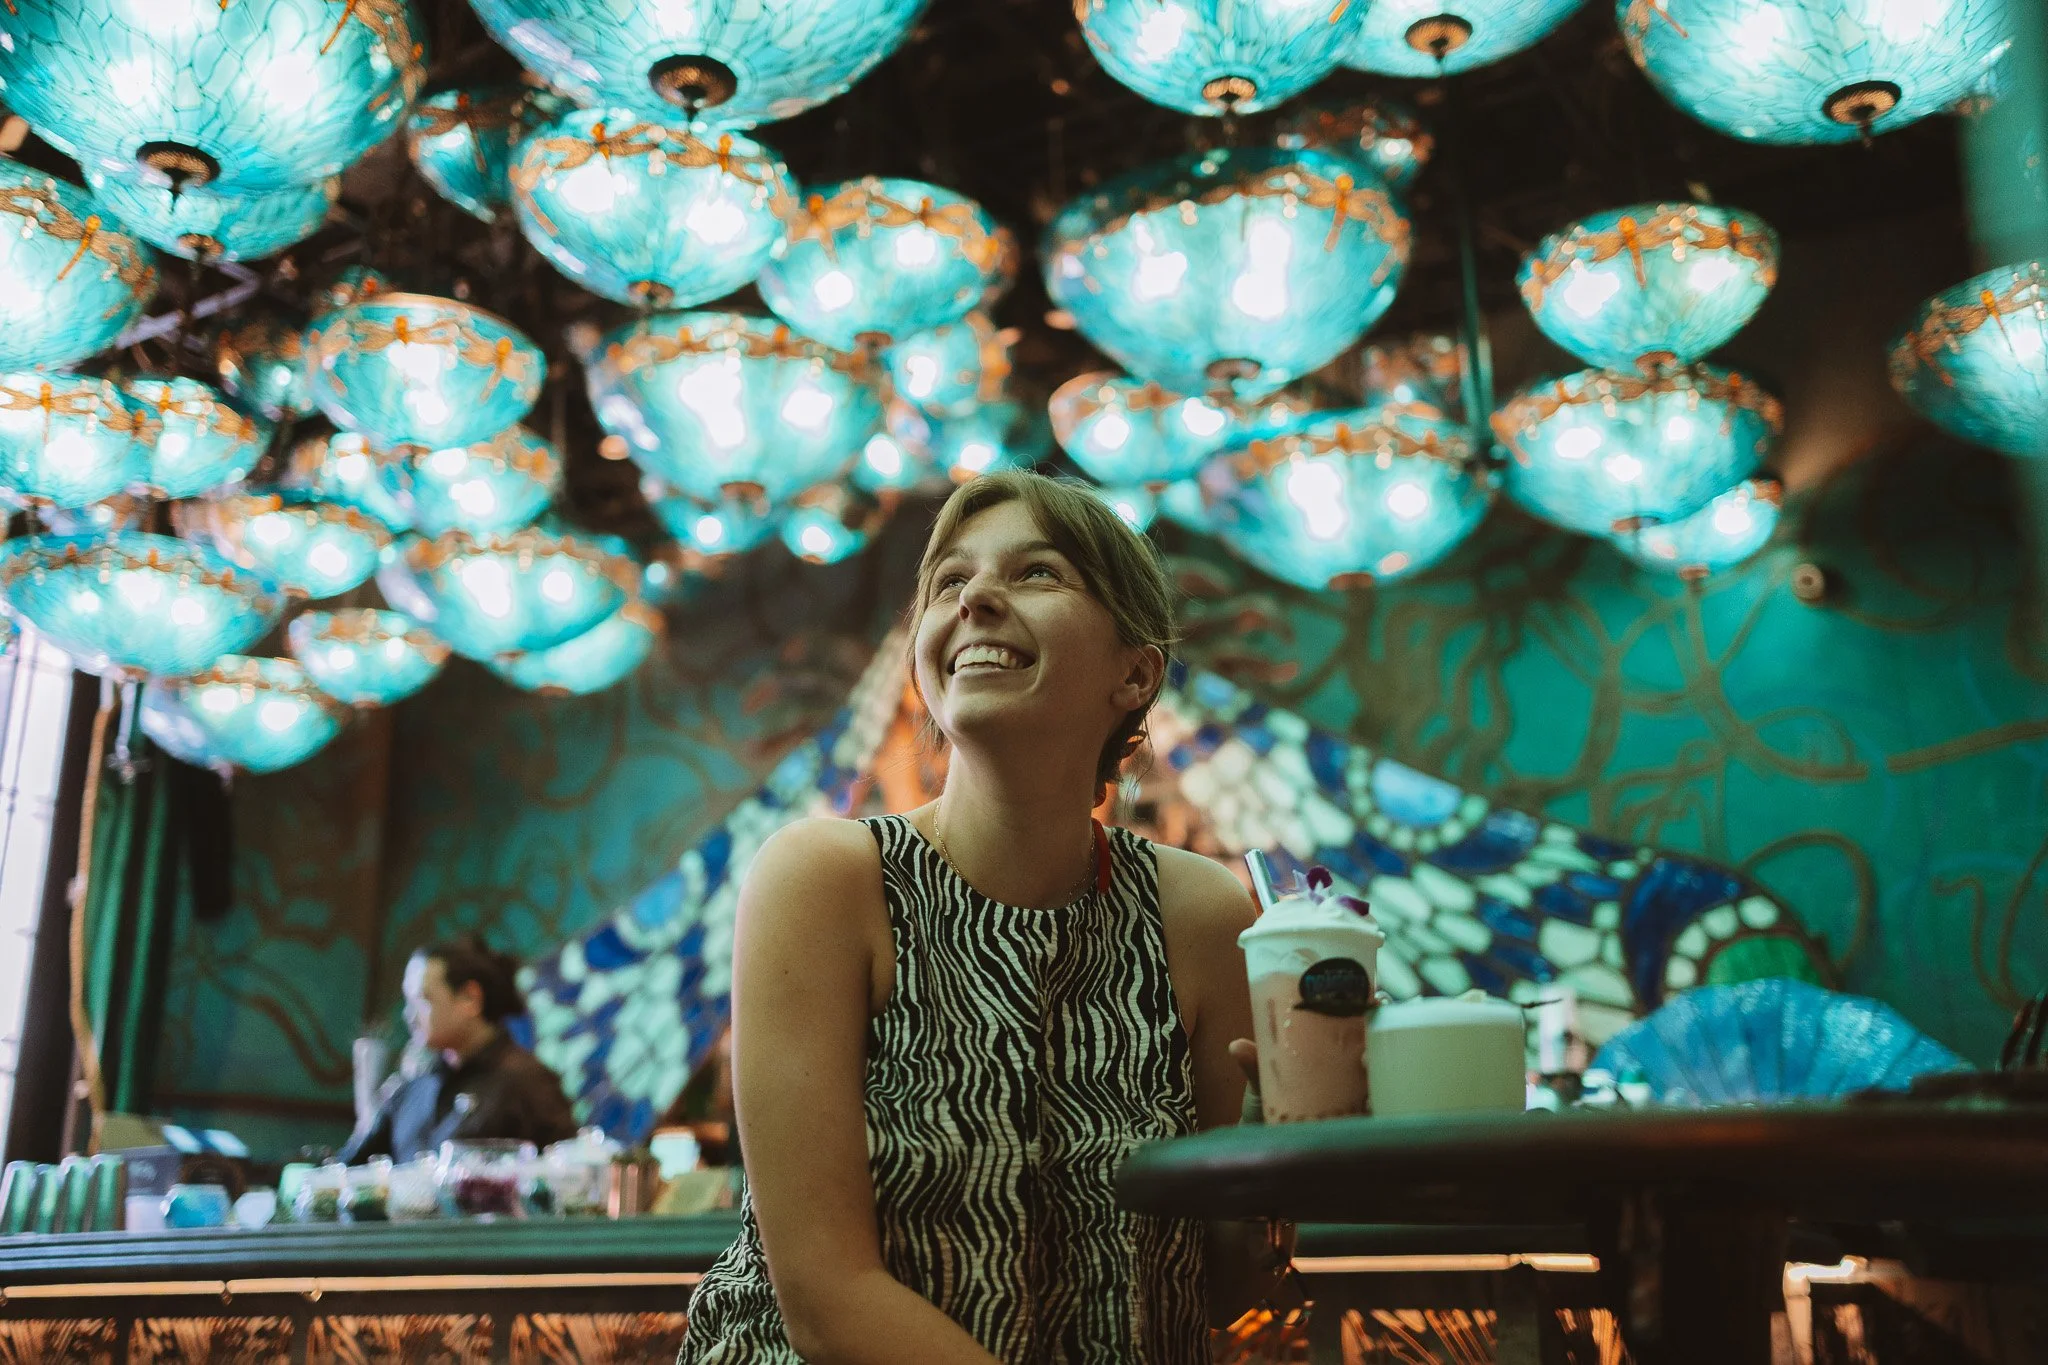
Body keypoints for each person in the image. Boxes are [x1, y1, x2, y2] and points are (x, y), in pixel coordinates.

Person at [678, 471, 1283, 1365]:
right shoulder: (828, 880)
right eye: (951, 580)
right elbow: (827, 1301)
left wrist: (1282, 1162)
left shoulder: (1196, 914)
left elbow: (1220, 1287)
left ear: (1135, 671)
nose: (977, 599)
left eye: (1036, 571)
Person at [338, 936, 578, 1164]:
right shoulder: (411, 1088)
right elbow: (347, 1168)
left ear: (470, 999)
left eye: (423, 999)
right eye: (409, 1001)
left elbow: (569, 1172)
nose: (409, 1015)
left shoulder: (527, 1083)